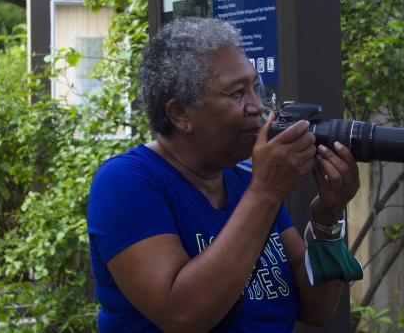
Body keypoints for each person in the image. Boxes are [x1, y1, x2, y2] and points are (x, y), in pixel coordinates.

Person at [87, 17, 360, 333]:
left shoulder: (245, 179)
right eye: (237, 93)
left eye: (255, 88)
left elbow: (317, 310)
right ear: (180, 113)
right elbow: (182, 316)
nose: (257, 107)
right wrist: (266, 192)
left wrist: (327, 217)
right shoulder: (126, 182)